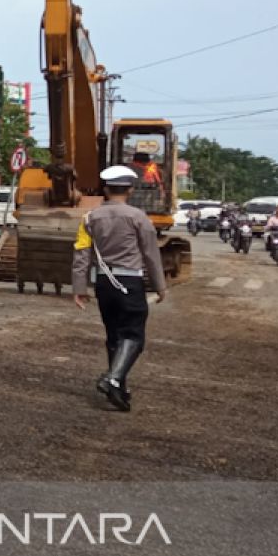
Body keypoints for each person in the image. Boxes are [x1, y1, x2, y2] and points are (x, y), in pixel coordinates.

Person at [72, 165, 167, 411]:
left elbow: (81, 254)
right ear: (131, 189)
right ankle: (112, 379)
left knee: (114, 335)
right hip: (129, 283)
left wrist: (79, 288)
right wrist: (160, 286)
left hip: (104, 284)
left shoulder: (89, 218)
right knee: (133, 334)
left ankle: (119, 388)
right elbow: (151, 254)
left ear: (105, 189)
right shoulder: (138, 217)